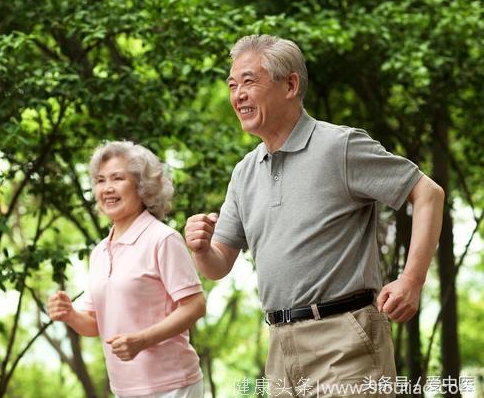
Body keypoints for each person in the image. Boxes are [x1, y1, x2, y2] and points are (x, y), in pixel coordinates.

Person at [184, 35, 444, 396]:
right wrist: (199, 248)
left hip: (344, 339)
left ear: (290, 84)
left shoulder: (339, 147)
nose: (238, 95)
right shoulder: (244, 173)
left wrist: (412, 280)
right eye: (232, 85)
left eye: (249, 81)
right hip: (279, 344)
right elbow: (217, 265)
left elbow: (428, 193)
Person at [48, 141, 205, 398]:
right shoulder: (99, 252)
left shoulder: (162, 239)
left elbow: (195, 305)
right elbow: (94, 323)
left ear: (142, 186)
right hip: (124, 389)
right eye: (100, 180)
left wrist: (142, 340)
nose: (107, 188)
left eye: (117, 178)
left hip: (173, 385)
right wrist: (69, 314)